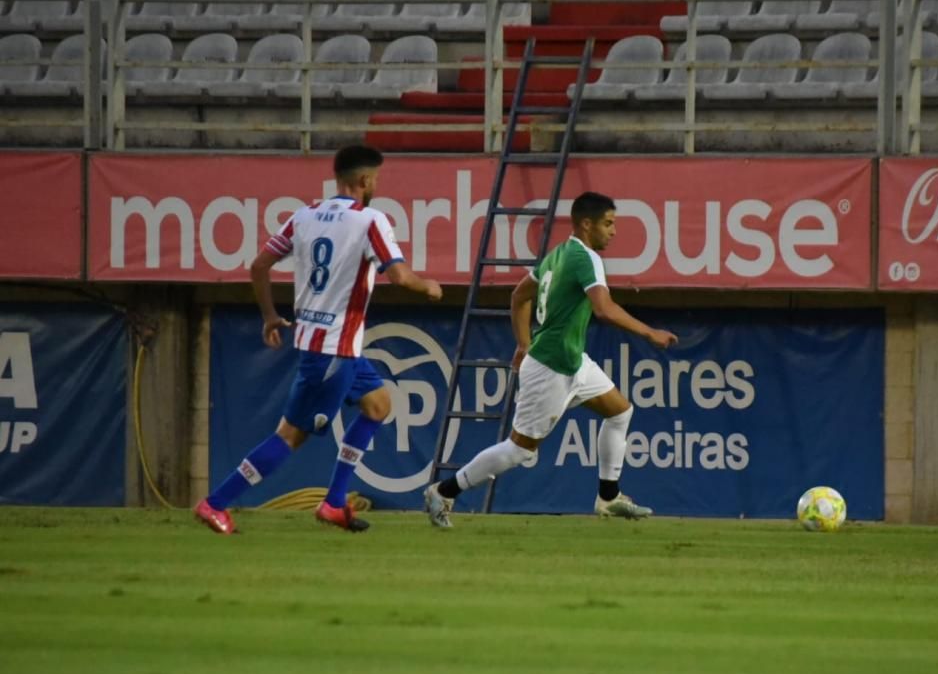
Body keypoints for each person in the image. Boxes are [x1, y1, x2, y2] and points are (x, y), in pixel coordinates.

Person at [194, 145, 442, 535]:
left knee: (378, 405)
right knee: (290, 436)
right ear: (364, 181)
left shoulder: (304, 215)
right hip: (332, 352)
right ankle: (215, 503)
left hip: (330, 346)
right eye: (375, 179)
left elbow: (259, 265)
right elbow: (398, 276)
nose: (375, 185)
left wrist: (270, 316)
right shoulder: (370, 220)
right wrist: (427, 287)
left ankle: (333, 502)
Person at [424, 191, 677, 529]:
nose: (613, 231)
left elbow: (519, 296)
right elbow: (603, 309)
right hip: (552, 366)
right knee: (519, 451)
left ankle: (609, 497)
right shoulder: (584, 258)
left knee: (620, 411)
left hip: (571, 360)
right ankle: (443, 490)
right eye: (608, 223)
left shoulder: (556, 256)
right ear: (587, 224)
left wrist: (523, 343)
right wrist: (649, 333)